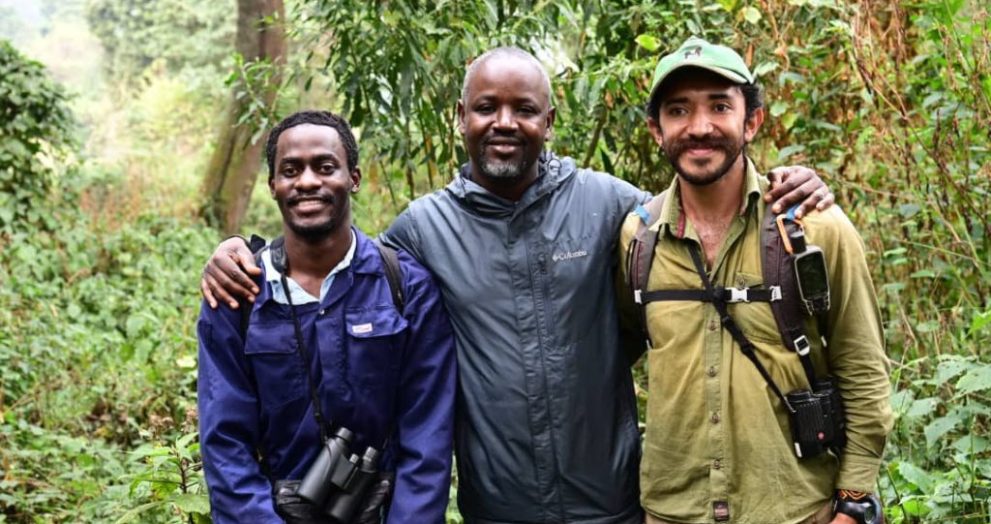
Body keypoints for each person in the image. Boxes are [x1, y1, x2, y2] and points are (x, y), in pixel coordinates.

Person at [200, 48, 834, 524]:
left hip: (612, 502)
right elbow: (338, 263)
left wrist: (791, 182)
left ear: (549, 120)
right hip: (495, 507)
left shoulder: (610, 205)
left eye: (523, 109)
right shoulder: (422, 231)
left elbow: (703, 214)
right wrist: (243, 253)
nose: (504, 122)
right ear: (461, 118)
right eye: (486, 108)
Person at [617, 37, 892, 524]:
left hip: (793, 510)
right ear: (656, 130)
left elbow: (863, 367)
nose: (699, 127)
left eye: (720, 106)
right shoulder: (638, 239)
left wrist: (852, 504)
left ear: (752, 121)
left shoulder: (814, 228)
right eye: (678, 110)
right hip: (672, 511)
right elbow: (617, 351)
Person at [196, 110, 456, 523]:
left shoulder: (406, 288)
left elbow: (428, 438)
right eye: (290, 170)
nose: (307, 181)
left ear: (353, 178)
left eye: (325, 166)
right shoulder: (239, 295)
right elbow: (225, 442)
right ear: (273, 185)